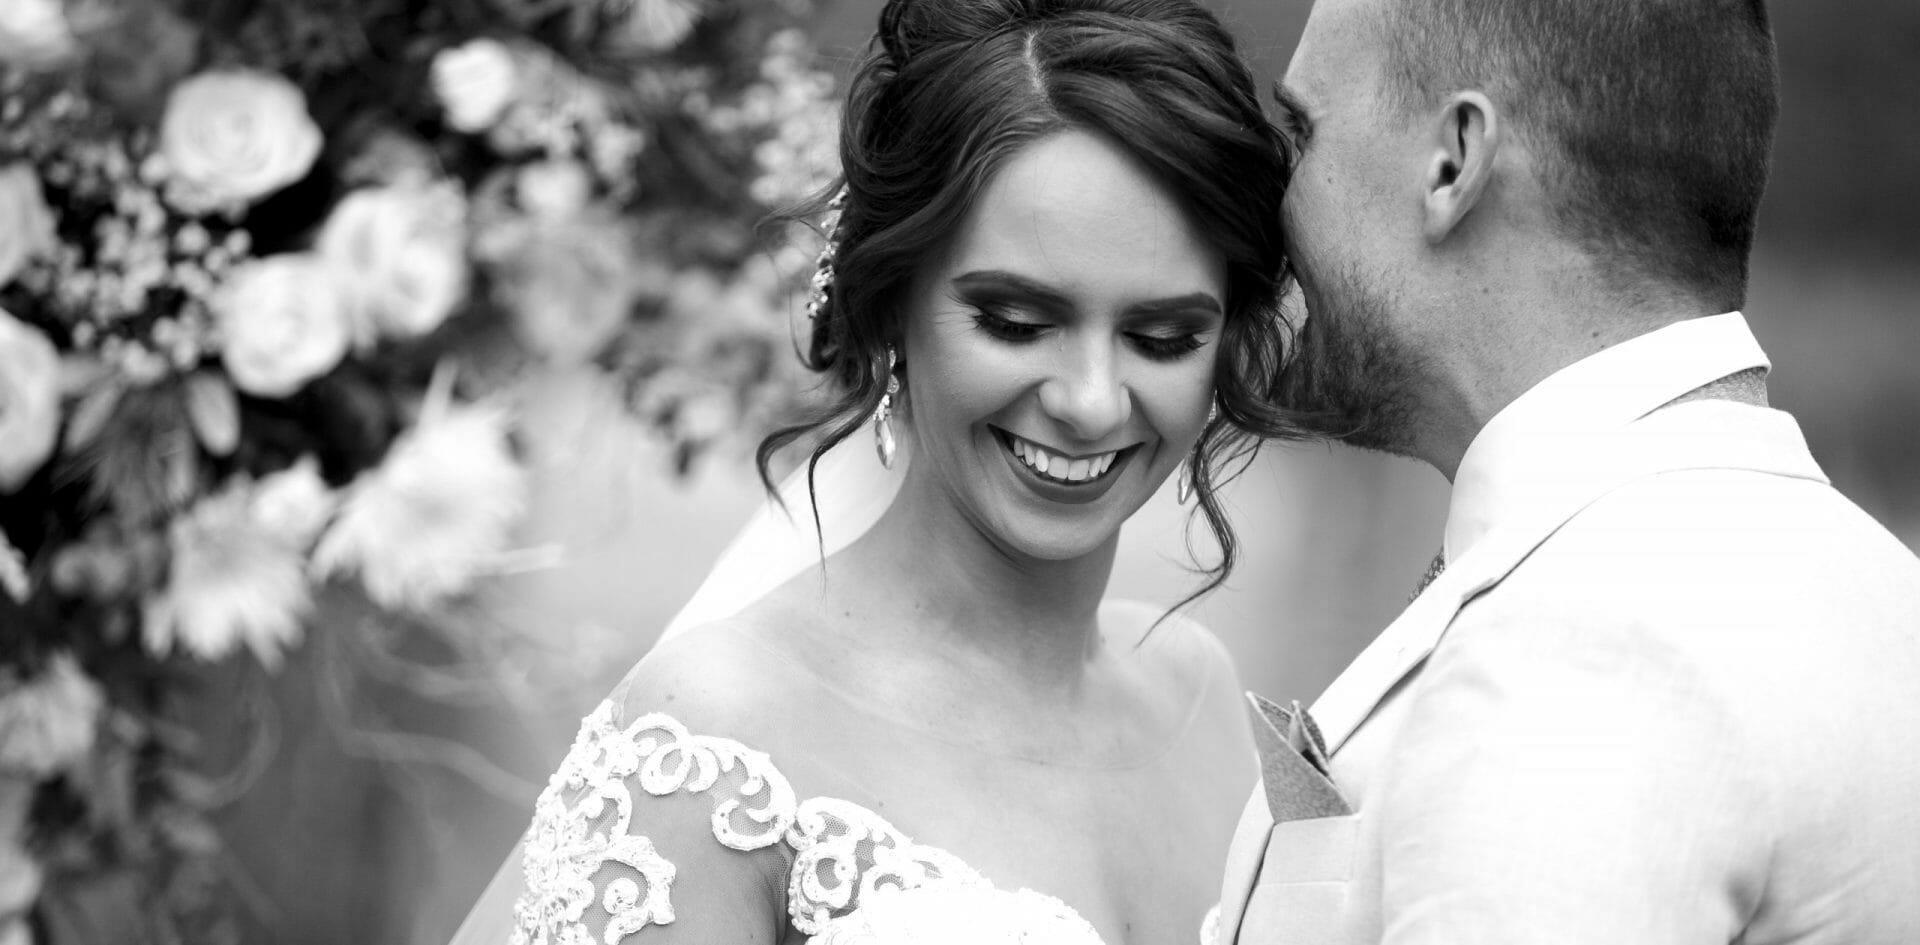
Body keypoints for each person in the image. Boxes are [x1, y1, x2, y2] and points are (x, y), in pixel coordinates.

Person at [449, 0, 1300, 941]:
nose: (1093, 401)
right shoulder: (712, 738)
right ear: (891, 304)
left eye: (1163, 336)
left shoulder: (1201, 692)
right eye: (1017, 323)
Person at [1214, 0, 1920, 943]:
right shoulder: (1874, 585)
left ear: (1454, 160)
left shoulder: (1587, 639)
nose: (1273, 195)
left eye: (1301, 131)